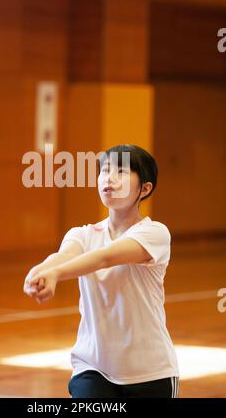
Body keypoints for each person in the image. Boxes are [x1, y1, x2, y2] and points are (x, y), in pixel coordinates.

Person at [23, 144, 179, 398]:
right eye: (105, 170)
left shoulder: (155, 233)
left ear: (145, 188)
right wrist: (40, 271)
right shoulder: (82, 234)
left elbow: (105, 258)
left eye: (121, 172)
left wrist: (56, 274)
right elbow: (63, 255)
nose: (109, 178)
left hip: (151, 372)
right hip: (93, 368)